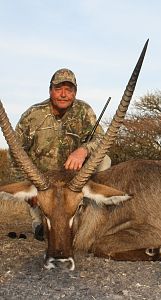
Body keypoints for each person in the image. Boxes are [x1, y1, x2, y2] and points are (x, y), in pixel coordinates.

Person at [13, 68, 111, 240]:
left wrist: (83, 150)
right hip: (43, 182)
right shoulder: (32, 115)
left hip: (72, 178)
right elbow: (16, 153)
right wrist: (28, 189)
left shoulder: (84, 110)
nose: (63, 94)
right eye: (58, 89)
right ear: (50, 90)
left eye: (69, 89)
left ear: (75, 92)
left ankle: (87, 214)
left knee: (104, 160)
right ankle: (38, 221)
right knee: (44, 232)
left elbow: (101, 140)